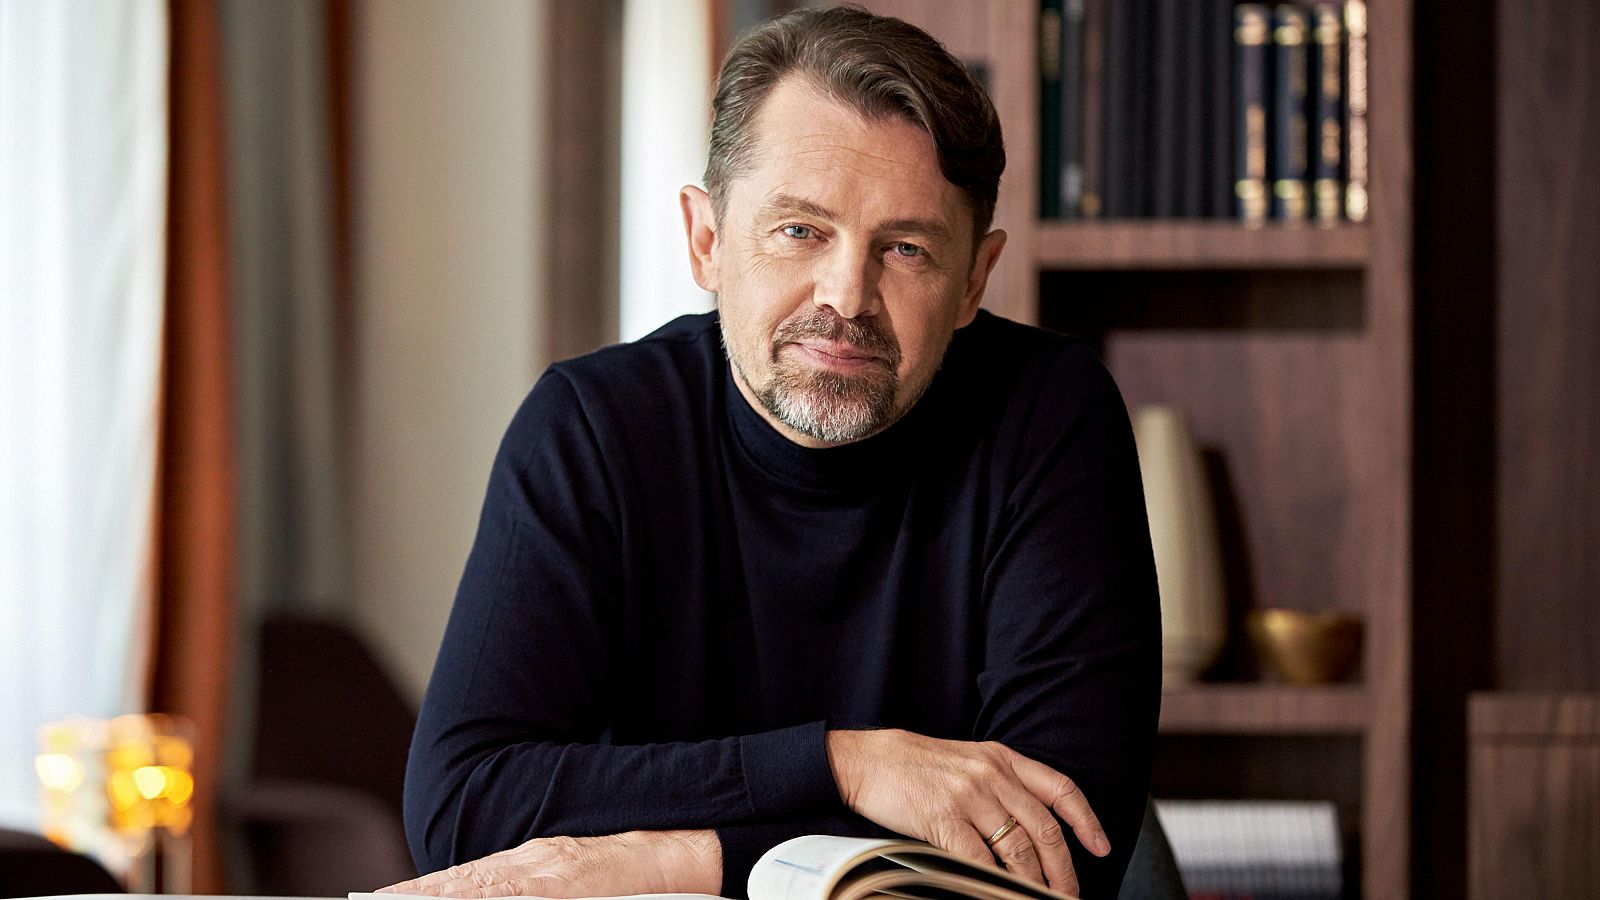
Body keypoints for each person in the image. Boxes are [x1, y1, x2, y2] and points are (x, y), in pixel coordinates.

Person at [384, 7, 1160, 900]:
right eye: (800, 230)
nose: (847, 295)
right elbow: (462, 806)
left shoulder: (1048, 416)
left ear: (973, 281)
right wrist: (844, 766)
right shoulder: (591, 429)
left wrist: (674, 858)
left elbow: (1057, 847)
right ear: (706, 240)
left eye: (905, 249)